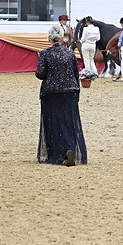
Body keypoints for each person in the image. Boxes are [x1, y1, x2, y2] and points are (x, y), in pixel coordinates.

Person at [35, 24, 87, 166]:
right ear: (62, 37)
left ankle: (57, 153)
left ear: (49, 38)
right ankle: (70, 149)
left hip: (52, 93)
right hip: (70, 91)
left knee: (53, 123)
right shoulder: (70, 53)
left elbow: (40, 74)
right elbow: (75, 72)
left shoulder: (45, 54)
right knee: (68, 122)